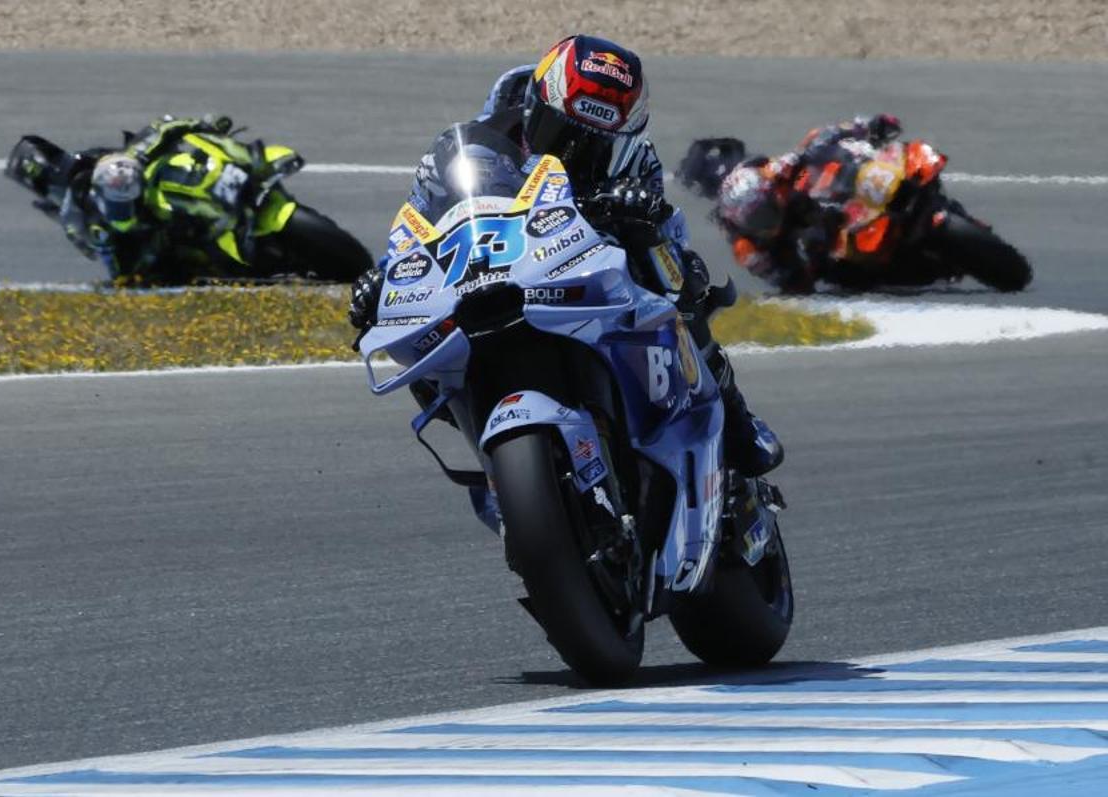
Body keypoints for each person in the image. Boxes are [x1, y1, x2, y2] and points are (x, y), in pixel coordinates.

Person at [350, 35, 782, 477]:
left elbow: (666, 226)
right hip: (506, 265)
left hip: (594, 265)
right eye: (561, 135)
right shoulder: (483, 142)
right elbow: (430, 219)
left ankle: (737, 423)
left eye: (595, 146)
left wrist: (637, 212)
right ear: (535, 110)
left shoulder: (636, 158)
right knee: (413, 330)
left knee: (683, 279)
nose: (574, 154)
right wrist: (386, 275)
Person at [61, 115, 371, 283]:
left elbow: (168, 125)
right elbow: (122, 267)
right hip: (190, 241)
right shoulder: (113, 223)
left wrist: (204, 127)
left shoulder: (141, 153)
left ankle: (248, 176)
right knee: (183, 267)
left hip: (210, 183)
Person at [711, 114, 903, 293]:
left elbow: (815, 140)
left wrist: (865, 126)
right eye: (757, 220)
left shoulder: (777, 172)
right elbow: (789, 283)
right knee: (844, 274)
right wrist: (810, 262)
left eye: (764, 213)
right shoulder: (747, 250)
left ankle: (888, 161)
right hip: (807, 248)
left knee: (830, 156)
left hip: (813, 200)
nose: (766, 222)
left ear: (770, 191)